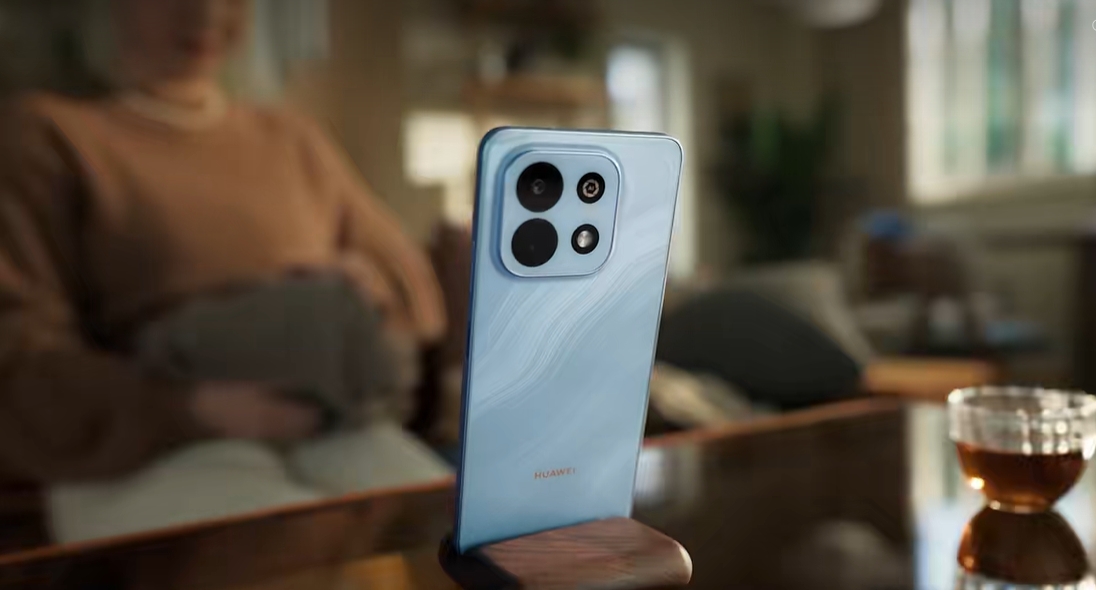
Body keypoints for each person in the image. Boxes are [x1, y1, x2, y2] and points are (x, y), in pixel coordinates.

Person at [0, 0, 450, 540]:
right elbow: (18, 356)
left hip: (329, 426)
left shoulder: (291, 141)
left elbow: (414, 293)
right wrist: (196, 410)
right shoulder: (47, 133)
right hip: (140, 452)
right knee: (289, 549)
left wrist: (364, 282)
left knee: (465, 541)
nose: (207, 14)